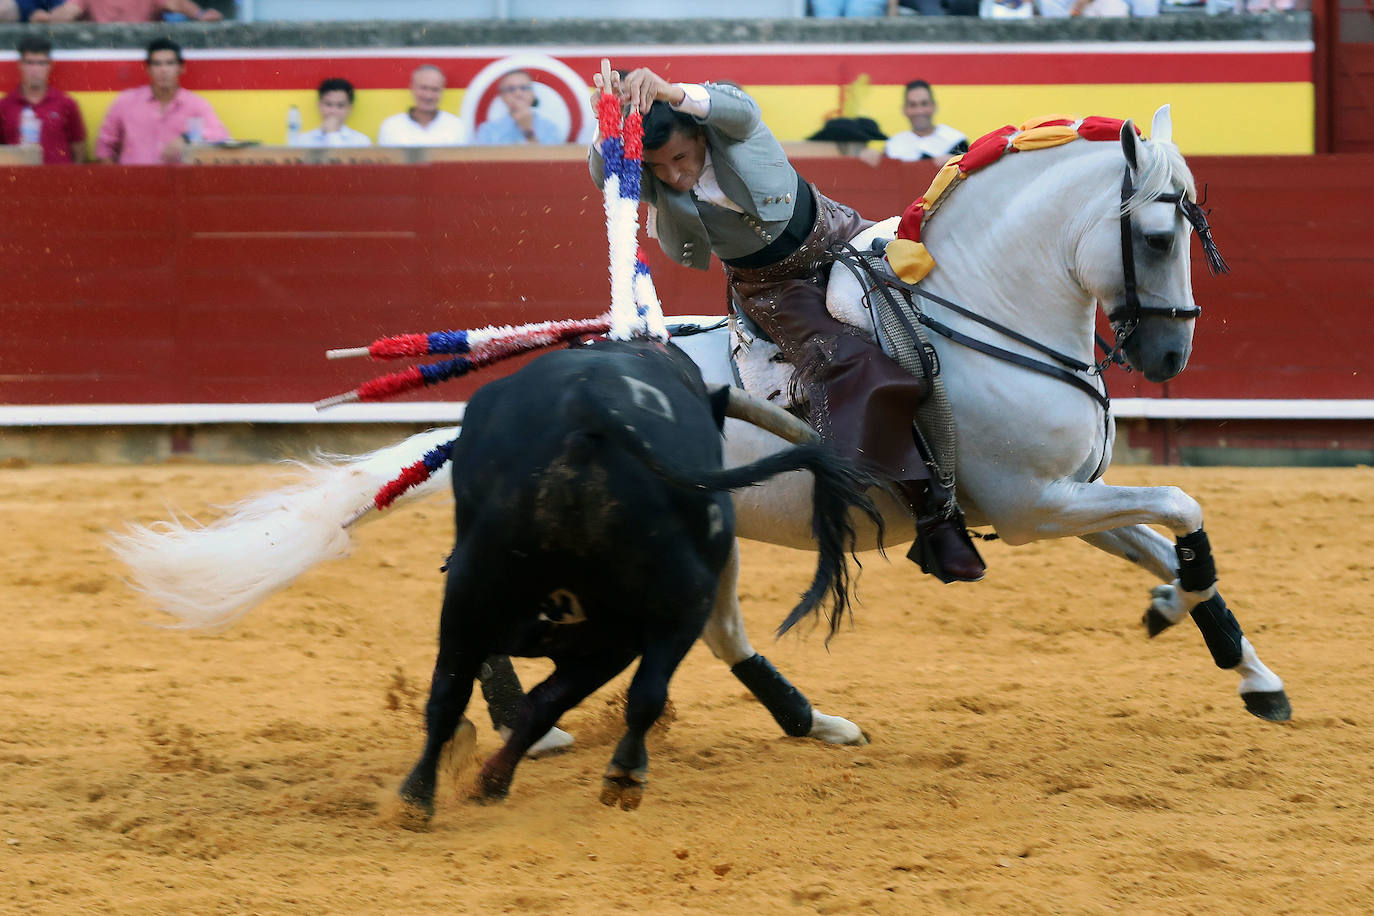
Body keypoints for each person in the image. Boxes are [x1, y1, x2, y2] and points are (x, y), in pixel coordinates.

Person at [588, 61, 985, 583]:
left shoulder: (734, 131)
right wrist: (608, 119)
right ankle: (934, 518)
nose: (674, 176)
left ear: (697, 132)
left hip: (842, 232)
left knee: (948, 297)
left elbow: (737, 104)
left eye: (681, 158)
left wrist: (671, 92)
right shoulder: (662, 181)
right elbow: (604, 171)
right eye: (659, 169)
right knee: (850, 364)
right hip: (775, 290)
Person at [95, 37, 229, 165]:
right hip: (133, 184)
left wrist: (187, 139)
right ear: (148, 69)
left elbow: (221, 137)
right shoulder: (125, 102)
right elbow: (104, 147)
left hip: (180, 184)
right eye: (157, 64)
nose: (163, 70)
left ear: (182, 68)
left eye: (170, 63)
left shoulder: (196, 104)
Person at [0, 36, 86, 164]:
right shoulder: (4, 106)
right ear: (20, 65)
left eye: (41, 63)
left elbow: (79, 149)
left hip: (59, 180)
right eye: (29, 63)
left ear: (50, 65)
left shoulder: (66, 103)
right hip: (18, 181)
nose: (35, 70)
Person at [860, 80, 968, 167]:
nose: (919, 111)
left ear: (934, 106)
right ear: (904, 109)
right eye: (912, 105)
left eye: (924, 104)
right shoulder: (893, 145)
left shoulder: (956, 141)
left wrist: (957, 163)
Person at [377, 65, 465, 147]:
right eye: (424, 88)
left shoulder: (457, 127)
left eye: (435, 89)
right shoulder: (391, 127)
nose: (428, 96)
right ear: (412, 88)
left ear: (442, 91)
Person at [473, 69, 563, 146]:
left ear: (532, 94)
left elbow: (549, 162)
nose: (518, 94)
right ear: (502, 96)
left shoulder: (550, 128)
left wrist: (527, 130)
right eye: (511, 89)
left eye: (523, 88)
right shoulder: (488, 130)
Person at [290, 77, 371, 149]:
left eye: (340, 105)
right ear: (319, 105)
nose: (333, 111)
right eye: (328, 104)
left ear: (350, 109)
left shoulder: (361, 141)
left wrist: (332, 134)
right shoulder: (304, 141)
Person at [25, 0, 221, 20]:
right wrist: (47, 19)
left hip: (146, 63)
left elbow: (176, 3)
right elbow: (69, 11)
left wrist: (201, 15)